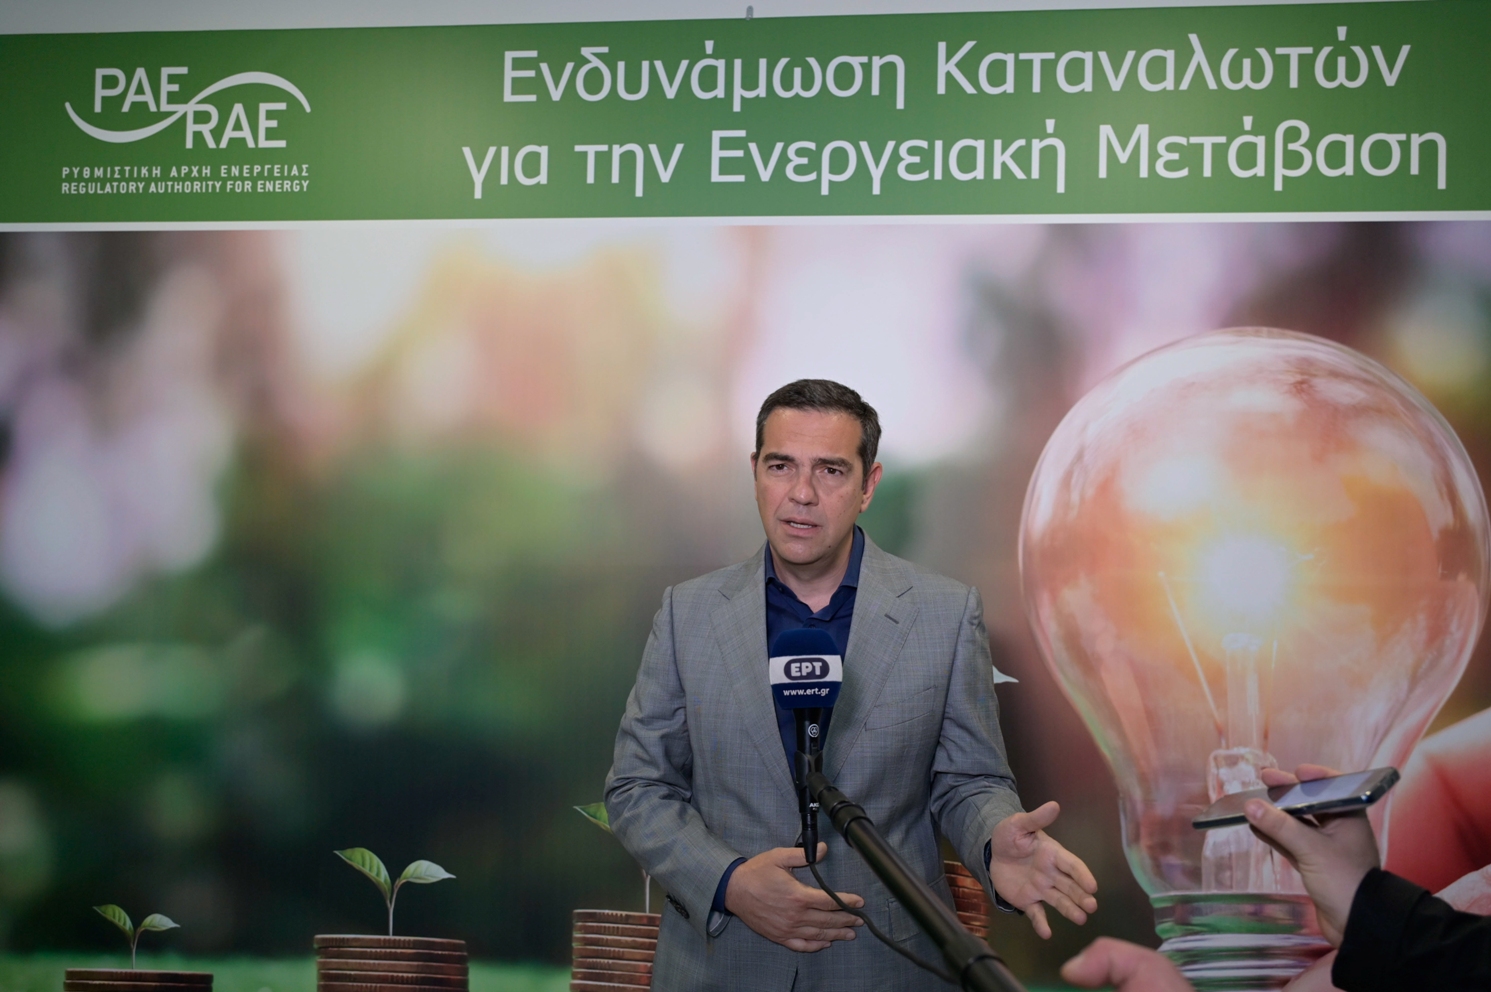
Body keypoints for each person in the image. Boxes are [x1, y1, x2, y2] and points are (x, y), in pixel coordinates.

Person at [605, 379, 1098, 991]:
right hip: (721, 966)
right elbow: (638, 787)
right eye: (781, 466)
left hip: (887, 968)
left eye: (831, 470)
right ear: (755, 472)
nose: (802, 493)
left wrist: (997, 840)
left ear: (868, 485)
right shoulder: (689, 614)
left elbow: (969, 781)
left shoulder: (945, 615)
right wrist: (729, 883)